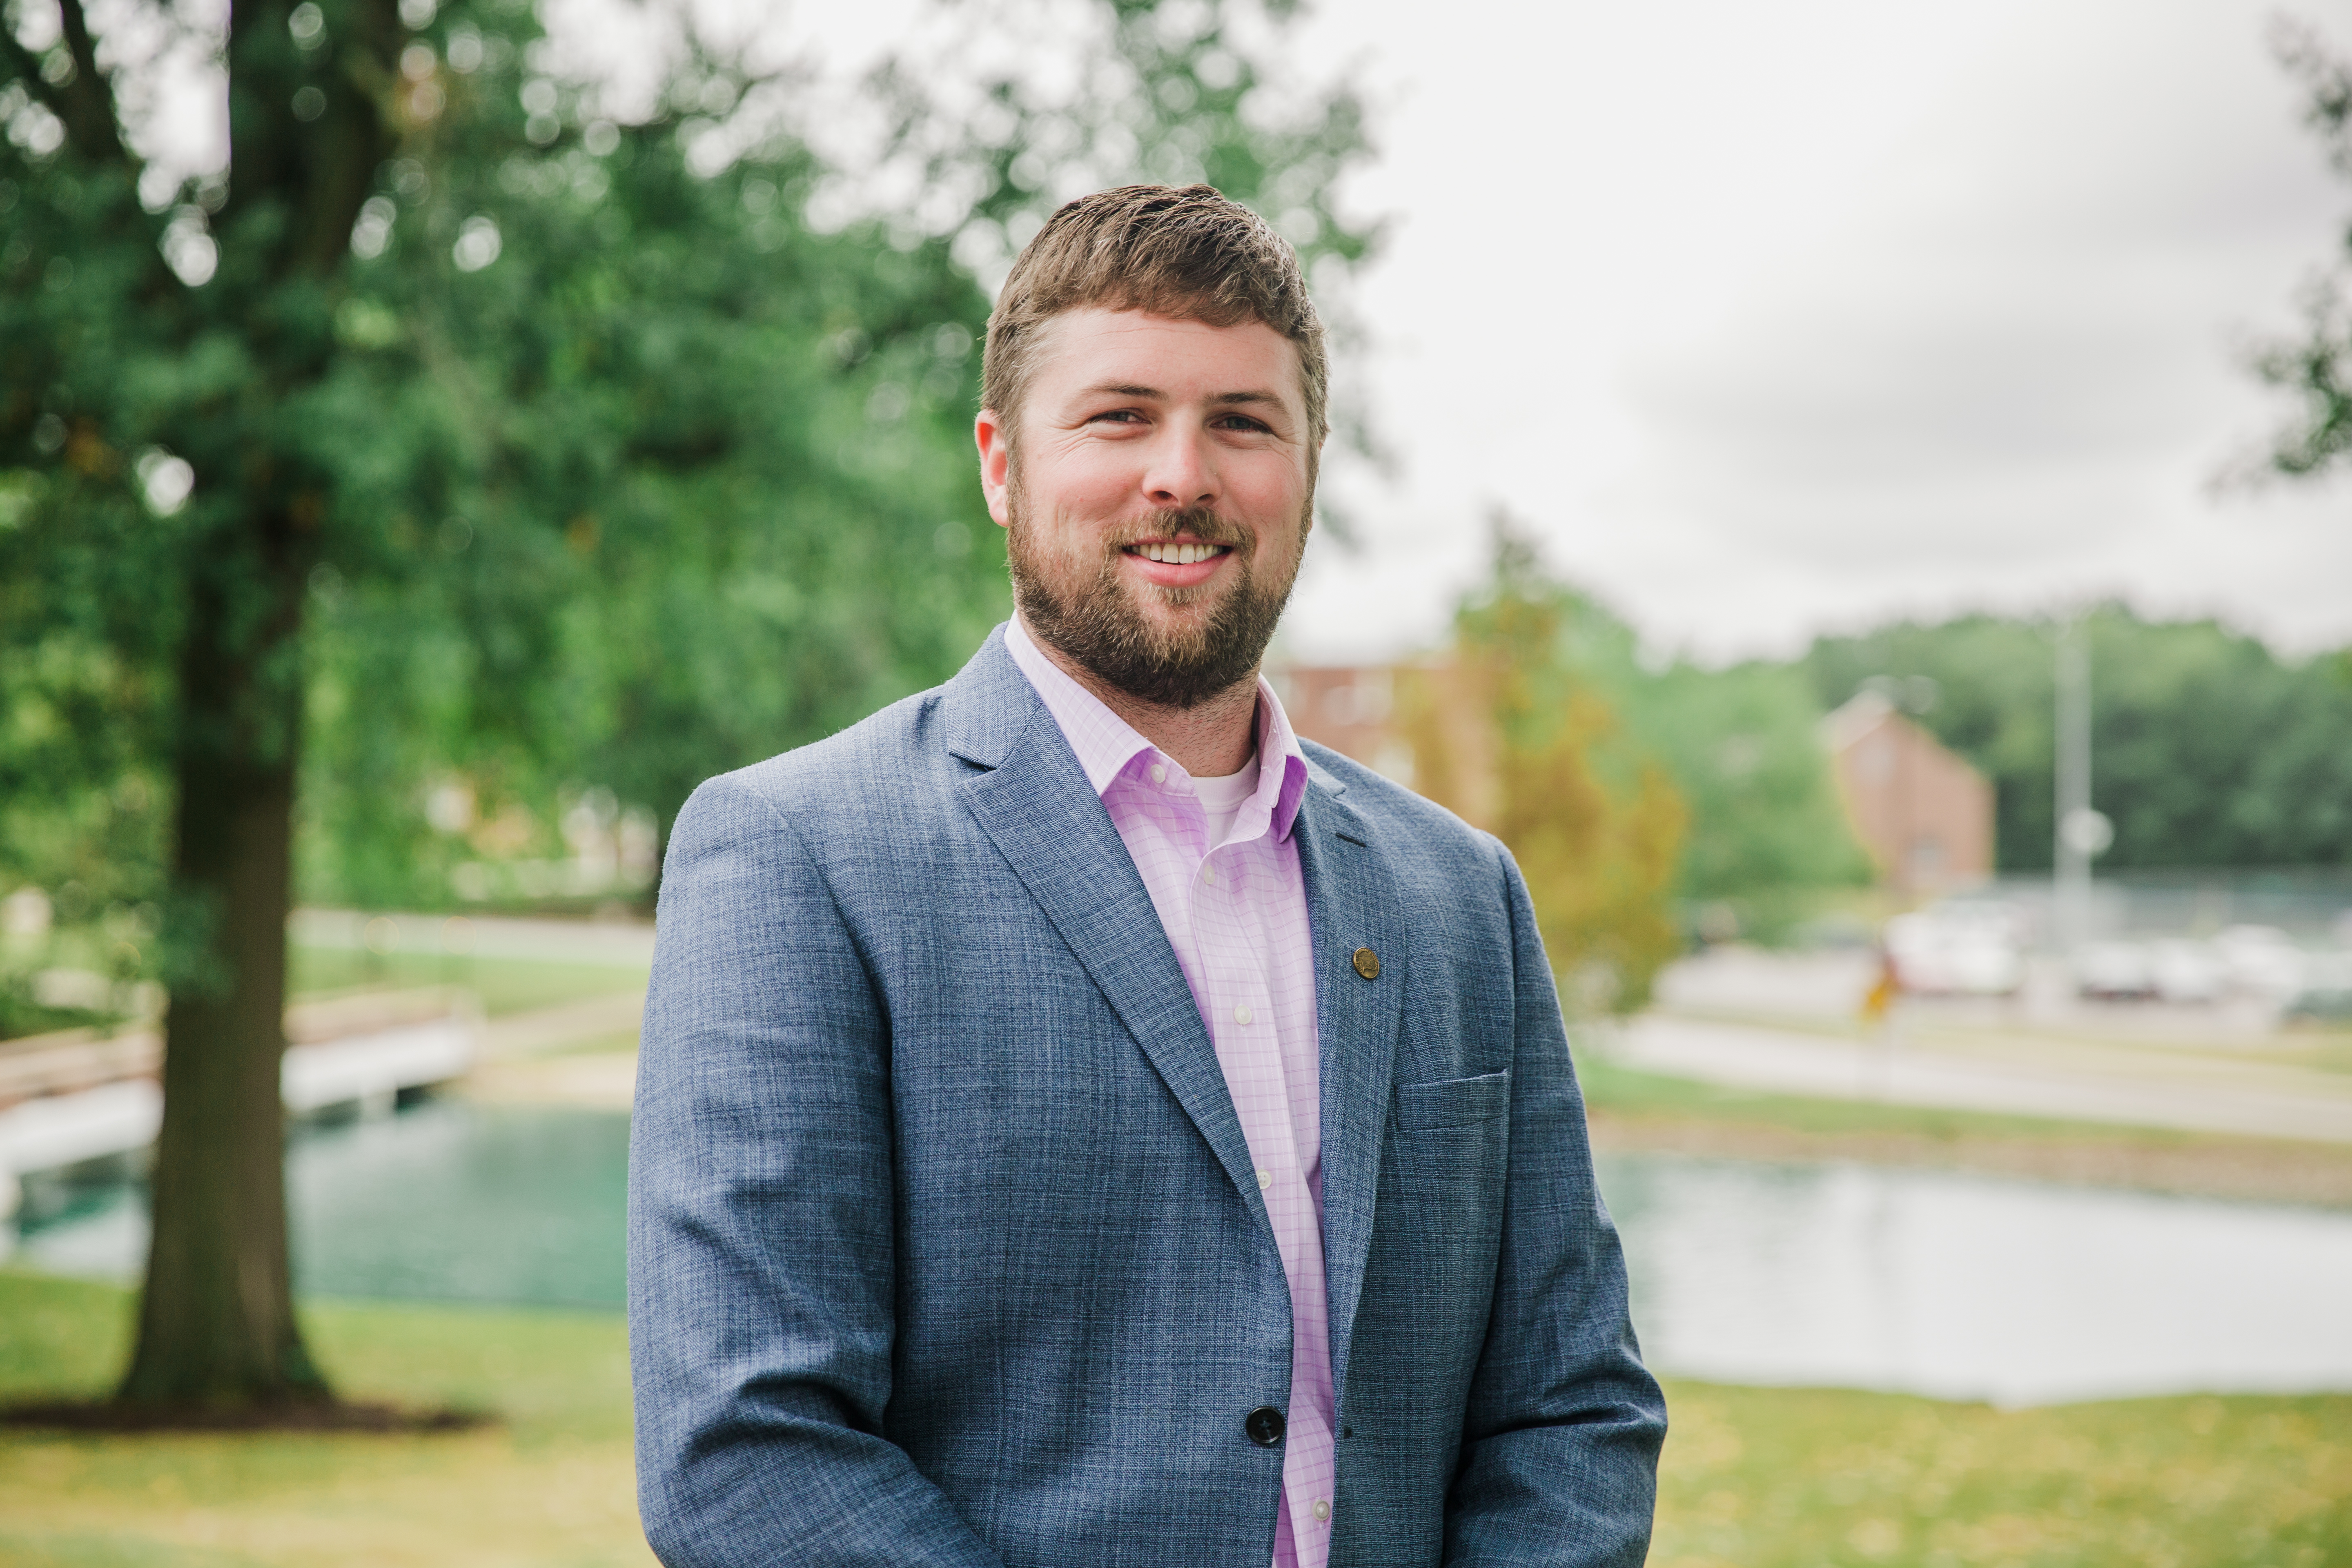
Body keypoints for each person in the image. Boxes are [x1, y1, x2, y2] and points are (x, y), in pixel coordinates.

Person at [629, 183, 1665, 1568]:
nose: (1184, 474)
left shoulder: (1459, 894)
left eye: (1243, 422)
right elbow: (747, 1451)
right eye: (1120, 417)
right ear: (1000, 463)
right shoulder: (798, 857)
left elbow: (1573, 1408)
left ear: (1306, 469)